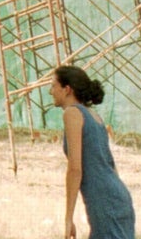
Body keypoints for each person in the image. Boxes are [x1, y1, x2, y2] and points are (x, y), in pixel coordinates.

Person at [51, 65, 135, 239]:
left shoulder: (72, 113)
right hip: (117, 195)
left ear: (67, 90)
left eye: (53, 86)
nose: (50, 91)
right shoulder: (93, 115)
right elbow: (110, 164)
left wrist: (68, 218)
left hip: (104, 200)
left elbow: (75, 169)